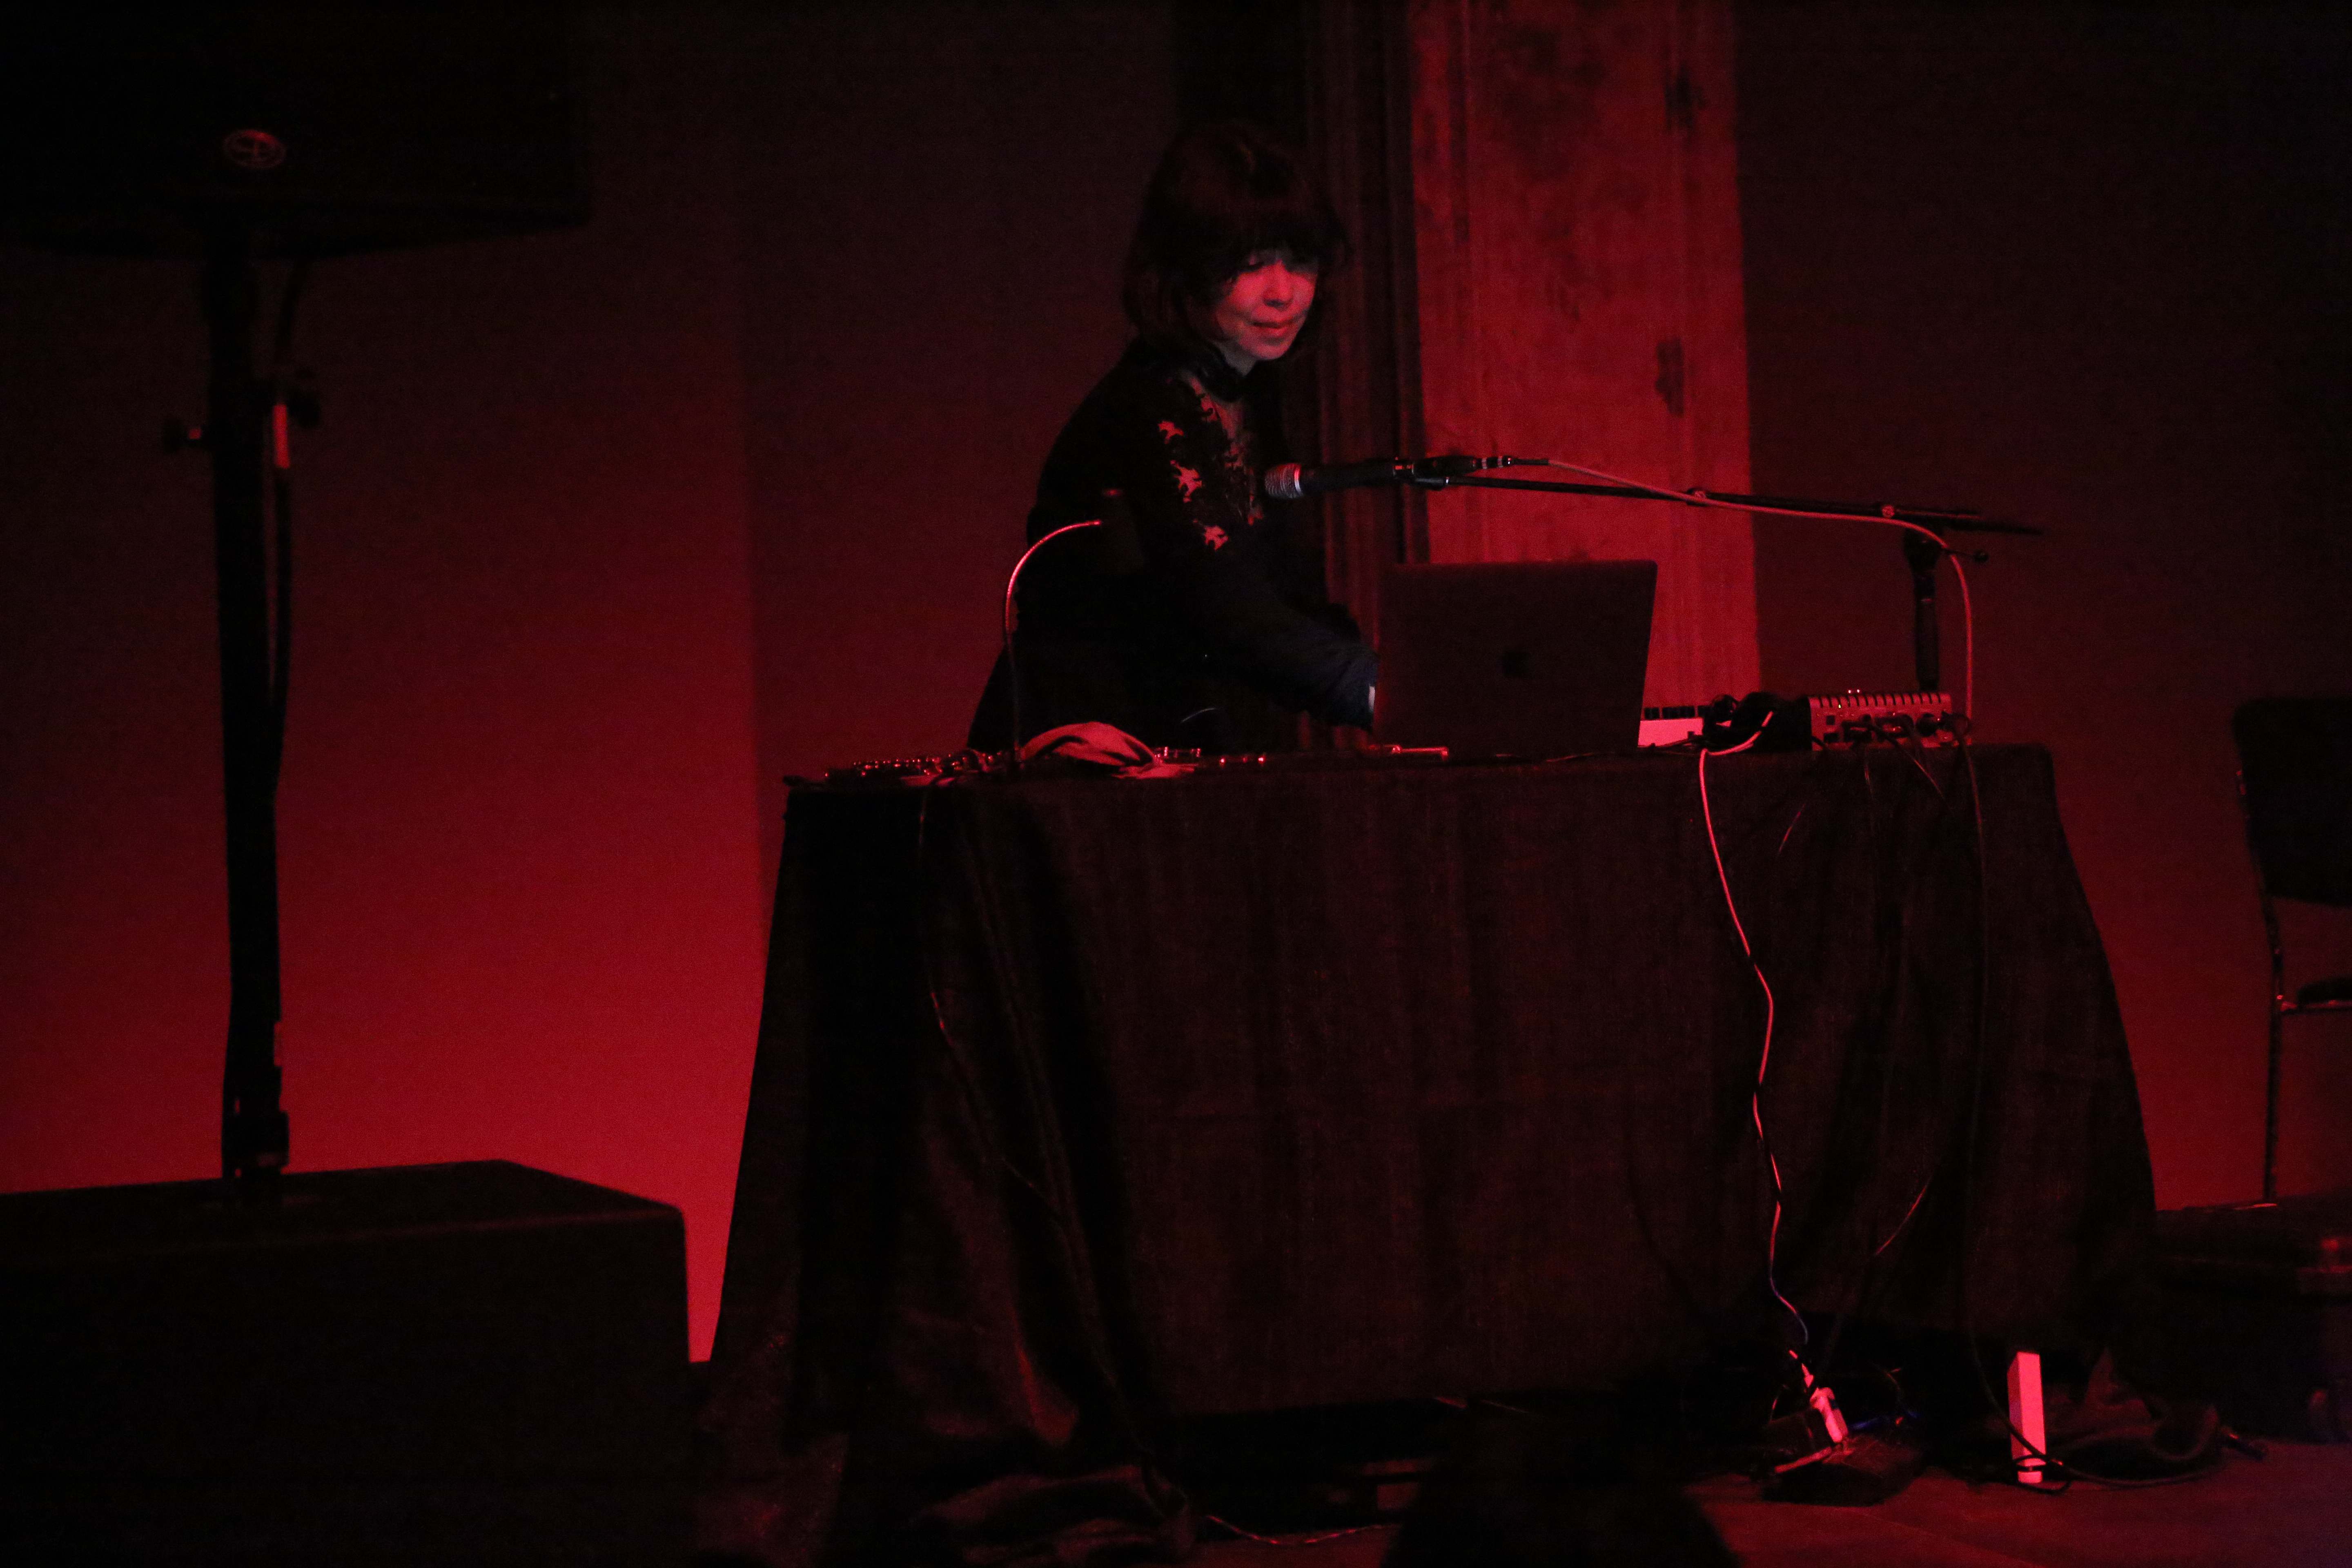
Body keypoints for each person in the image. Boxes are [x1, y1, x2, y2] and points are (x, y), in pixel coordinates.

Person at [967, 120, 1377, 755]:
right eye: (1249, 265)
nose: (1283, 292)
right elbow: (1226, 606)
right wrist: (1377, 689)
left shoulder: (1249, 394)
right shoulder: (1149, 405)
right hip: (1081, 745)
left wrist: (1403, 678)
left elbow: (1276, 598)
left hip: (1164, 733)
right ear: (1187, 271)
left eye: (1300, 261)